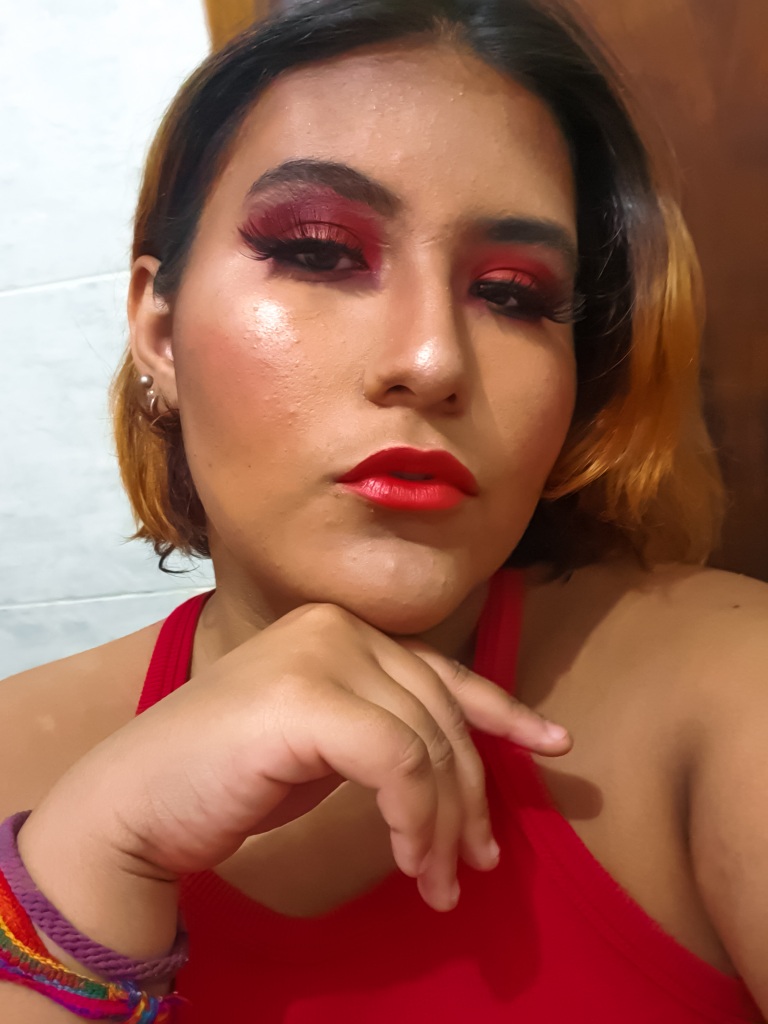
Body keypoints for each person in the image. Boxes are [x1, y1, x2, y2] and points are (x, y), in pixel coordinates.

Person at [0, 0, 766, 1020]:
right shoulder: (18, 754)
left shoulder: (728, 696)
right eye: (319, 251)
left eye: (513, 293)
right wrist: (93, 858)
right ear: (160, 328)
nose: (433, 358)